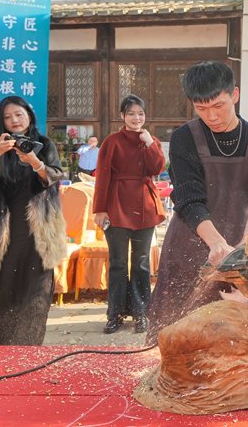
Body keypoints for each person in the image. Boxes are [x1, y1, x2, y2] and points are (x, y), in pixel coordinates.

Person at [146, 61, 248, 344]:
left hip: (238, 245)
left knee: (234, 337)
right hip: (189, 244)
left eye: (218, 106)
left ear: (234, 95)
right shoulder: (184, 138)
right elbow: (188, 198)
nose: (211, 116)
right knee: (176, 338)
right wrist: (215, 242)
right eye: (201, 108)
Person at [0, 96, 67, 345]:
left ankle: (30, 349)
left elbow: (53, 176)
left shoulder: (44, 143)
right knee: (5, 289)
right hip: (7, 229)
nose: (14, 121)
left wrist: (35, 162)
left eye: (18, 114)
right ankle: (7, 346)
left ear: (29, 114)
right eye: (7, 117)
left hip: (39, 230)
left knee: (35, 292)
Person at [93, 95, 165, 335]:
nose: (137, 118)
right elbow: (102, 175)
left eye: (141, 114)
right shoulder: (111, 141)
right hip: (117, 204)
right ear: (122, 116)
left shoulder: (150, 140)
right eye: (131, 113)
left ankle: (142, 313)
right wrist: (100, 209)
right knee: (118, 263)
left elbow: (157, 169)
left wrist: (150, 144)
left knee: (142, 263)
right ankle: (115, 315)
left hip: (145, 205)